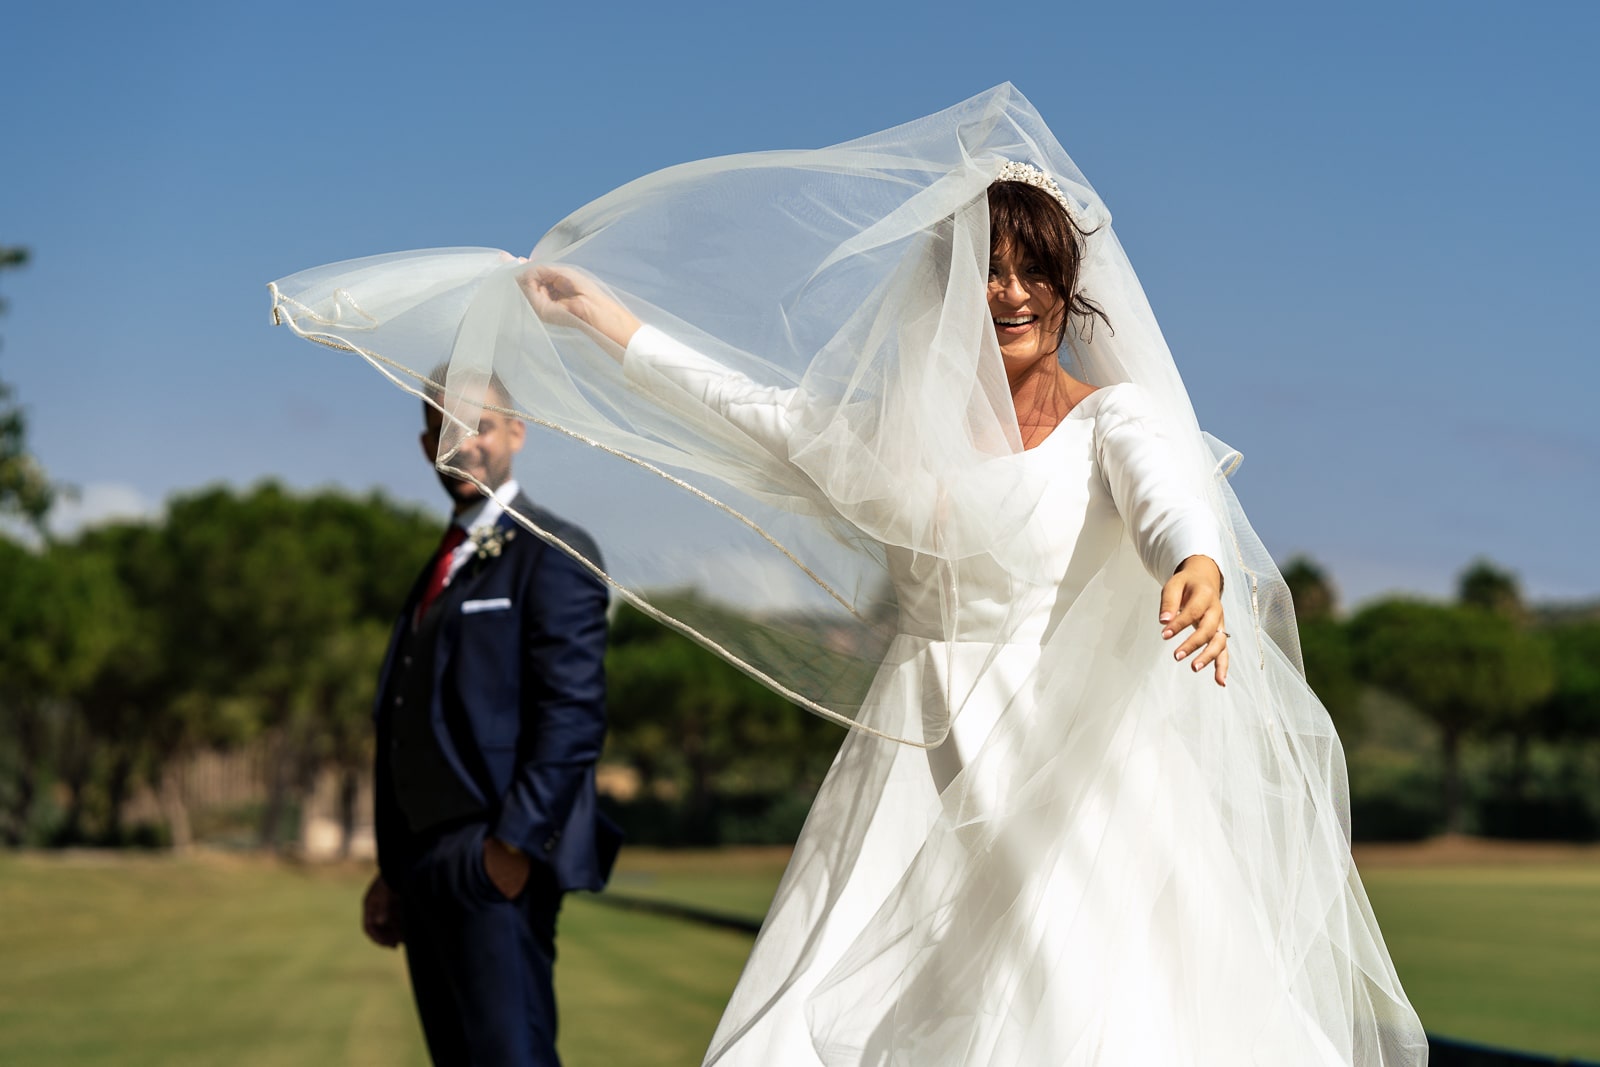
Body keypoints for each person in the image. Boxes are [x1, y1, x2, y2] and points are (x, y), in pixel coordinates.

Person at [270, 84, 1424, 1065]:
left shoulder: (1112, 416)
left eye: (1035, 272)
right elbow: (754, 413)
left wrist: (1198, 565)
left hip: (1077, 774)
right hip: (916, 759)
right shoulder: (898, 440)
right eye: (989, 269)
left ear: (1068, 286)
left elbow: (1166, 492)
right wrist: (606, 320)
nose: (1011, 294)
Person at [357, 372, 621, 1067]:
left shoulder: (553, 554)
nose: (460, 446)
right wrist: (393, 869)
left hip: (496, 864)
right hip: (421, 872)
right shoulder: (434, 570)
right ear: (424, 446)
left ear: (514, 432)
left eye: (475, 426)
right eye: (442, 431)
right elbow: (403, 725)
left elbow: (574, 713)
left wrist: (511, 847)